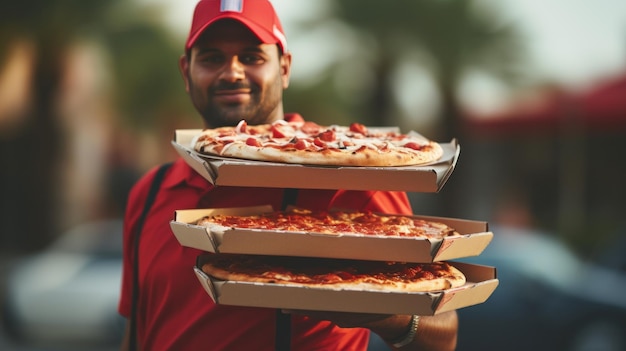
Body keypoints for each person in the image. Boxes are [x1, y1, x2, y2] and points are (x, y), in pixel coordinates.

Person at [117, 0, 458, 350]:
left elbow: (443, 332)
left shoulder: (353, 176)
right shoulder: (150, 192)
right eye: (211, 58)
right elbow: (137, 332)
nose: (232, 72)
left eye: (251, 57)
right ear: (185, 71)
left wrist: (386, 314)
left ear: (284, 68)